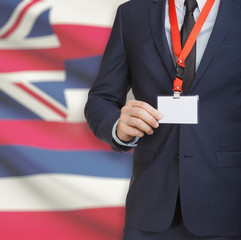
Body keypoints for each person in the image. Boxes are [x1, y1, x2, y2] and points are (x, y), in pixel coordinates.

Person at [84, 0, 241, 239]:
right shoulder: (132, 14)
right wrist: (117, 126)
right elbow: (101, 98)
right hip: (150, 208)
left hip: (229, 206)